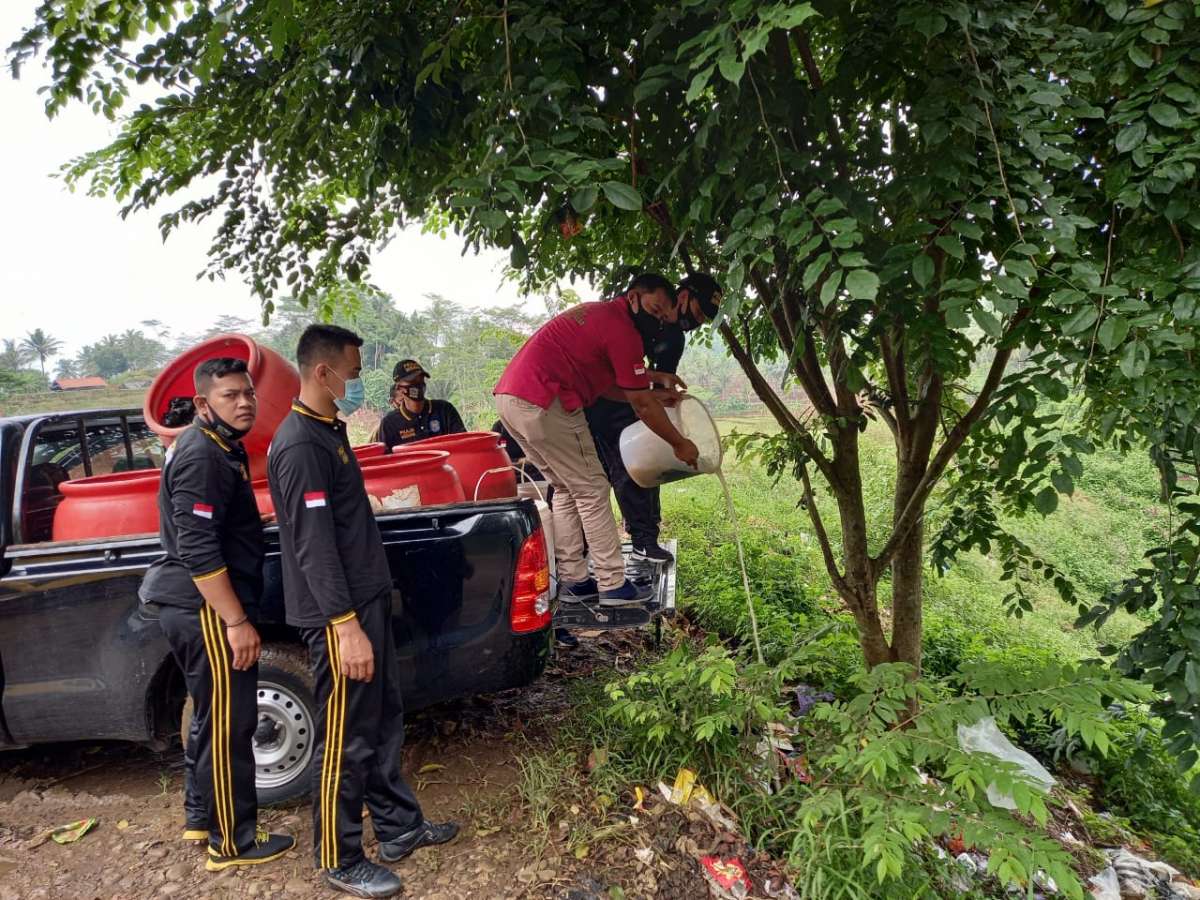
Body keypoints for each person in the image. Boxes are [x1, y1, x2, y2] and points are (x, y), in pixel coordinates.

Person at [267, 325, 458, 899]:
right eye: (351, 373)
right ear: (322, 373)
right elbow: (313, 546)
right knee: (347, 735)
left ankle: (398, 828)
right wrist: (345, 626)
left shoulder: (329, 433)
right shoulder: (301, 445)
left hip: (364, 603)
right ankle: (339, 856)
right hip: (340, 616)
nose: (356, 382)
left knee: (382, 722)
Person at [138, 358, 294, 871]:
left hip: (188, 600)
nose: (244, 402)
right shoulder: (205, 454)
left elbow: (210, 523)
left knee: (211, 716)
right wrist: (236, 621)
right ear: (203, 404)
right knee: (232, 723)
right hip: (203, 605)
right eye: (230, 395)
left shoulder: (216, 447)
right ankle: (233, 843)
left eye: (248, 392)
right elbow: (199, 549)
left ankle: (201, 816)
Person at [494, 273, 699, 608]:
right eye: (655, 308)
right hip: (545, 399)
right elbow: (640, 403)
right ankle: (613, 583)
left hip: (511, 398)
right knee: (591, 487)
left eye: (664, 316)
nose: (659, 318)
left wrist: (654, 384)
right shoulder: (623, 331)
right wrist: (679, 443)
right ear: (634, 297)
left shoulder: (602, 317)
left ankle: (575, 579)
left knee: (565, 487)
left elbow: (609, 387)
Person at [584, 273, 722, 566]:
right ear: (683, 297)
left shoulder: (674, 338)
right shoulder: (637, 316)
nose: (695, 321)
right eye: (697, 313)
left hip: (633, 399)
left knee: (647, 460)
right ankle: (617, 545)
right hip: (598, 399)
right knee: (600, 477)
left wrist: (667, 412)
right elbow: (611, 366)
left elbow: (659, 387)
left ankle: (646, 537)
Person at [377, 359, 466, 450]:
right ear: (399, 388)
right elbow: (385, 459)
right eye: (412, 381)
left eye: (421, 380)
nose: (418, 385)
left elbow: (464, 446)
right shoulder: (389, 423)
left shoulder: (445, 410)